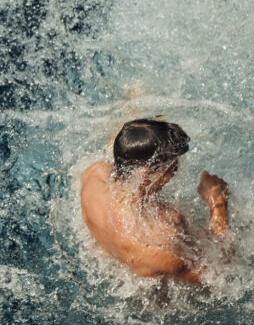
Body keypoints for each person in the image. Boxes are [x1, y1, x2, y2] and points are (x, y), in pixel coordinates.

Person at [80, 118, 232, 283]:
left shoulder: (94, 176)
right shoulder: (162, 238)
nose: (176, 168)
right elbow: (214, 276)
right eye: (171, 165)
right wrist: (218, 203)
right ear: (144, 174)